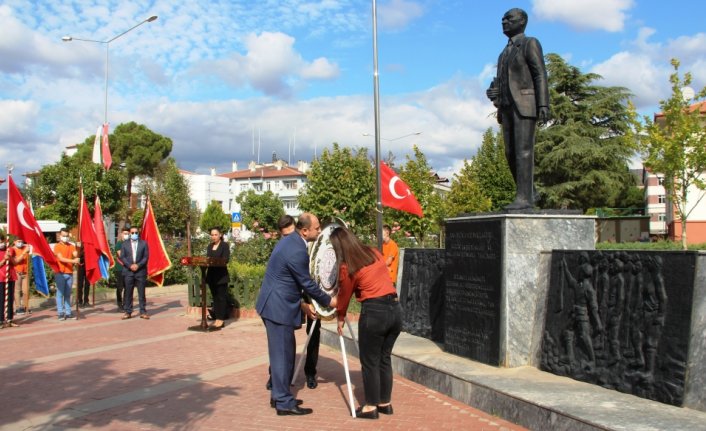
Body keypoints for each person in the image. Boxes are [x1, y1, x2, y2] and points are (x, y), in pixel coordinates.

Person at [256, 212, 336, 416]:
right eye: (317, 228)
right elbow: (307, 283)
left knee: (283, 353)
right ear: (305, 230)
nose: (319, 231)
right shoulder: (297, 249)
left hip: (274, 305)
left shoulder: (292, 241)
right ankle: (283, 402)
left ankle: (279, 394)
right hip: (277, 308)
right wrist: (329, 300)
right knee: (283, 355)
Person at [331, 226, 402, 420]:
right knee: (384, 358)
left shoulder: (349, 265)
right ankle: (385, 403)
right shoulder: (373, 252)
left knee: (370, 361)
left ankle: (371, 407)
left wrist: (341, 316)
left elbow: (344, 295)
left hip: (375, 312)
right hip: (395, 309)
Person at [486, 8, 549, 210]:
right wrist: (494, 93)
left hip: (525, 105)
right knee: (510, 153)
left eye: (508, 19)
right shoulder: (503, 53)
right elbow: (503, 81)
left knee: (523, 151)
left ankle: (524, 198)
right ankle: (530, 192)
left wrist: (543, 104)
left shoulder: (530, 43)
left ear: (522, 22)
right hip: (506, 108)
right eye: (502, 19)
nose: (503, 22)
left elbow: (540, 74)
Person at [120, 226, 150, 320]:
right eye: (132, 233)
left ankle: (143, 311)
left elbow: (146, 257)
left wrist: (138, 265)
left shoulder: (143, 243)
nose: (134, 234)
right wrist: (130, 265)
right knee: (128, 292)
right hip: (128, 271)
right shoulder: (125, 244)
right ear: (129, 233)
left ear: (138, 233)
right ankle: (128, 312)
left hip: (140, 271)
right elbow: (122, 257)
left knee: (141, 293)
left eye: (136, 233)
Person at [205, 227, 231, 331]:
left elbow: (225, 259)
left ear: (220, 235)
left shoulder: (224, 245)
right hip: (211, 276)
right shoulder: (209, 246)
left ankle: (221, 319)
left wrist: (215, 261)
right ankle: (216, 318)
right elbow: (207, 259)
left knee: (221, 297)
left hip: (221, 276)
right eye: (212, 235)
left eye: (215, 234)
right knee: (215, 298)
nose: (213, 236)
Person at [53, 229, 79, 321]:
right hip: (60, 273)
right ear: (60, 236)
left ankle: (68, 312)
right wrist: (73, 261)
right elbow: (60, 258)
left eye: (67, 235)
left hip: (69, 273)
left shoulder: (71, 246)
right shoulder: (57, 246)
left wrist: (77, 250)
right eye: (64, 235)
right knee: (60, 293)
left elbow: (75, 254)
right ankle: (60, 313)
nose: (65, 237)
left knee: (67, 294)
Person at [1, 235, 22, 327]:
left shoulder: (9, 250)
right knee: (1, 299)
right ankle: (1, 320)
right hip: (1, 278)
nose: (1, 243)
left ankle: (10, 318)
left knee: (10, 298)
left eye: (2, 241)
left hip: (10, 276)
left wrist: (9, 258)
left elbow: (15, 262)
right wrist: (3, 260)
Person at [12, 239, 31, 315]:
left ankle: (25, 306)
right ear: (14, 242)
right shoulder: (13, 249)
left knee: (26, 291)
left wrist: (27, 250)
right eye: (18, 241)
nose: (20, 243)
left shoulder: (25, 248)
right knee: (17, 290)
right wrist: (24, 252)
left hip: (25, 272)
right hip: (17, 272)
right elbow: (16, 261)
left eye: (22, 241)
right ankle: (18, 307)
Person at [114, 228, 130, 312]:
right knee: (120, 287)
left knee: (127, 287)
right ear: (121, 234)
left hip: (128, 269)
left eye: (127, 233)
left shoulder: (130, 244)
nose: (126, 235)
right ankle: (119, 305)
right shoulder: (119, 244)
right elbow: (121, 256)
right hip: (120, 268)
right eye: (125, 233)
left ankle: (126, 304)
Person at [75, 242, 91, 307]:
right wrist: (79, 246)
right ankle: (79, 300)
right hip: (81, 265)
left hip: (88, 265)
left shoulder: (89, 243)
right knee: (80, 284)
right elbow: (77, 255)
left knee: (87, 283)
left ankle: (86, 300)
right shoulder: (79, 243)